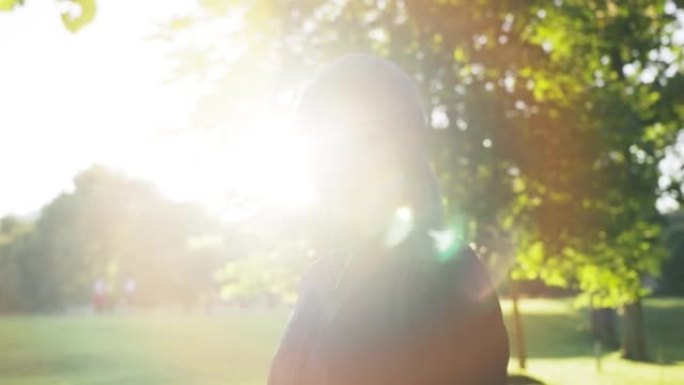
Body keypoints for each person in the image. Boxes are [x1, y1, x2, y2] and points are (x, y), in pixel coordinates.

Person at [268, 54, 509, 385]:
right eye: (324, 143)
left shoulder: (445, 274)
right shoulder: (320, 278)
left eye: (369, 138)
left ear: (410, 148)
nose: (340, 161)